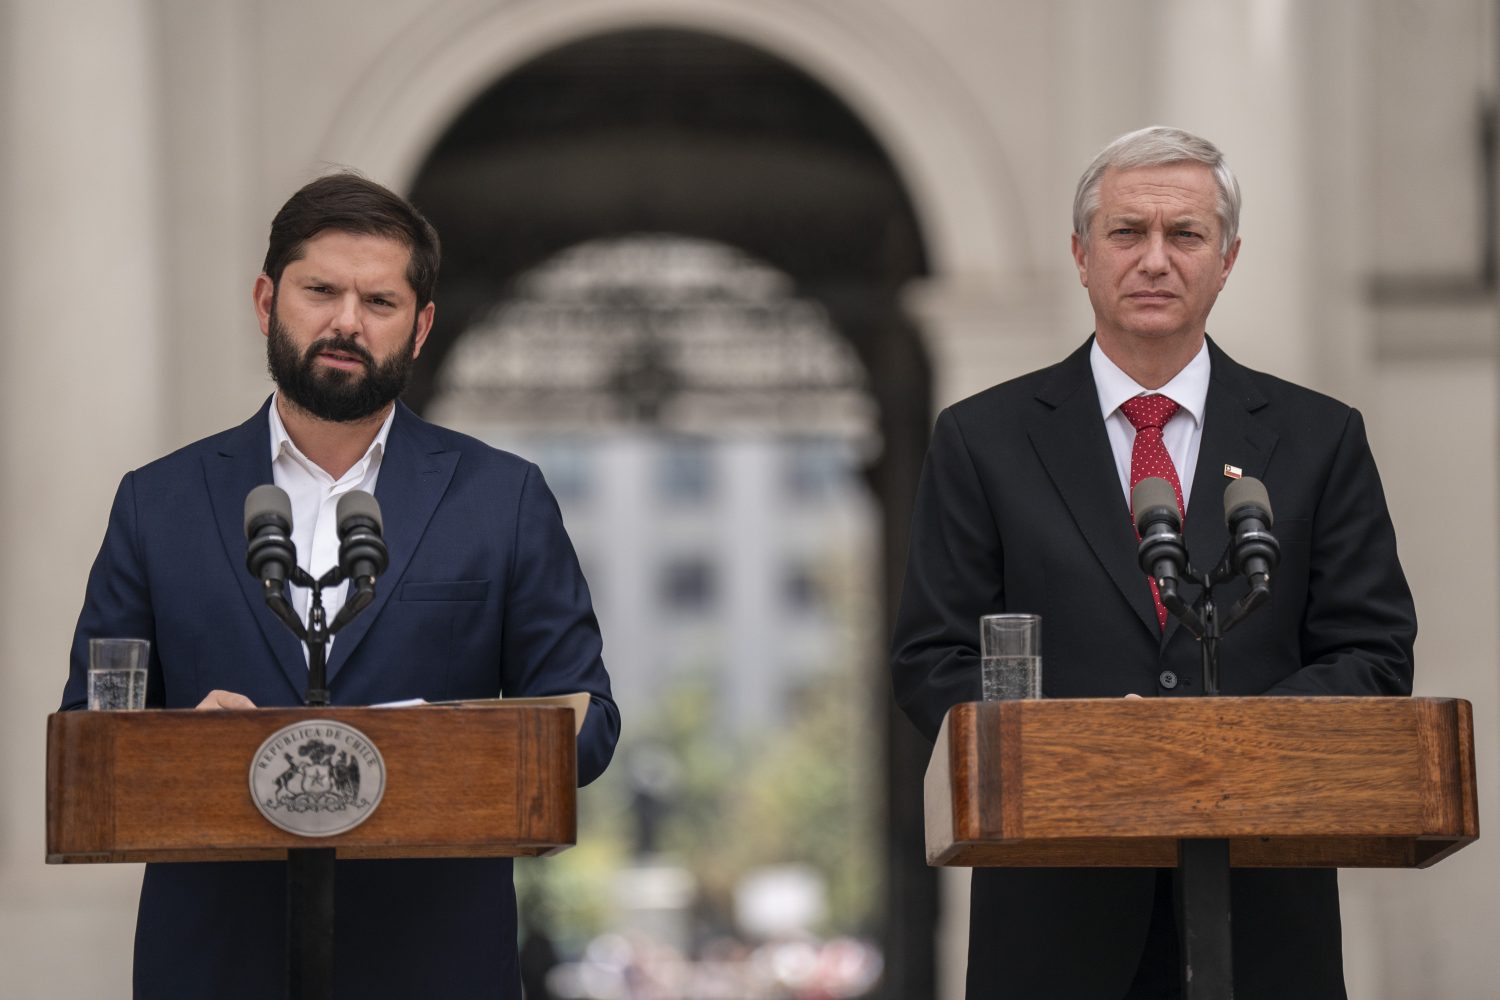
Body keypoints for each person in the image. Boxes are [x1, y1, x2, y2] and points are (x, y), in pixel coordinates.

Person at [61, 173, 620, 998]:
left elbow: (589, 723)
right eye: (320, 291)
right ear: (266, 302)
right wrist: (180, 745)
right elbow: (91, 733)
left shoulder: (503, 500)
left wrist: (452, 743)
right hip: (216, 967)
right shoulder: (159, 502)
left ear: (420, 328)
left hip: (433, 967)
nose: (347, 322)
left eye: (379, 301)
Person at [890, 127, 1416, 1000]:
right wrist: (1095, 750)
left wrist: (1214, 751)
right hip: (1056, 916)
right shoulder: (983, 440)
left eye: (1186, 235)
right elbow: (931, 658)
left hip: (1262, 913)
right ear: (1081, 254)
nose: (1155, 260)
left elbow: (1374, 653)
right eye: (1128, 232)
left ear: (1227, 259)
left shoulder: (1319, 438)